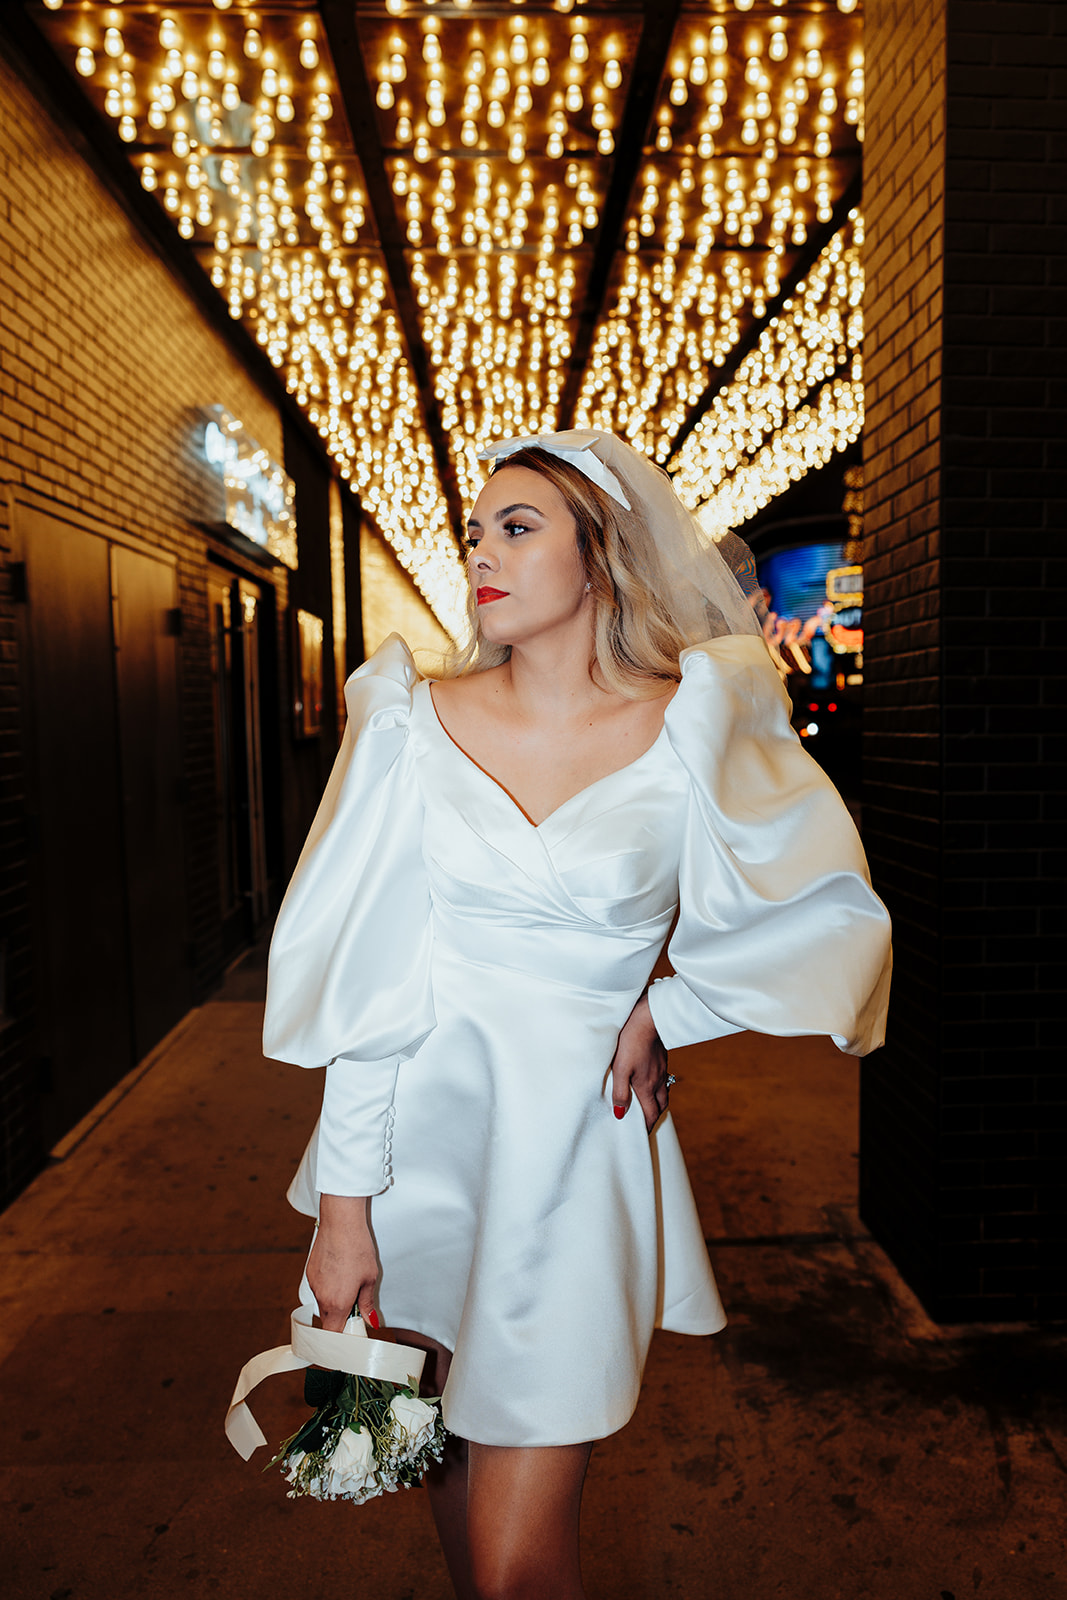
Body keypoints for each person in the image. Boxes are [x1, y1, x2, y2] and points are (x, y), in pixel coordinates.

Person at [263, 429, 892, 1600]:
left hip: (574, 1161)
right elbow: (369, 984)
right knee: (444, 1458)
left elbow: (823, 913)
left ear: (599, 555)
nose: (480, 558)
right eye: (473, 533)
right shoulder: (406, 720)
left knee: (516, 1562)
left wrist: (670, 1007)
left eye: (517, 527)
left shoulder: (695, 719)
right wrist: (342, 1213)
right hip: (415, 1155)